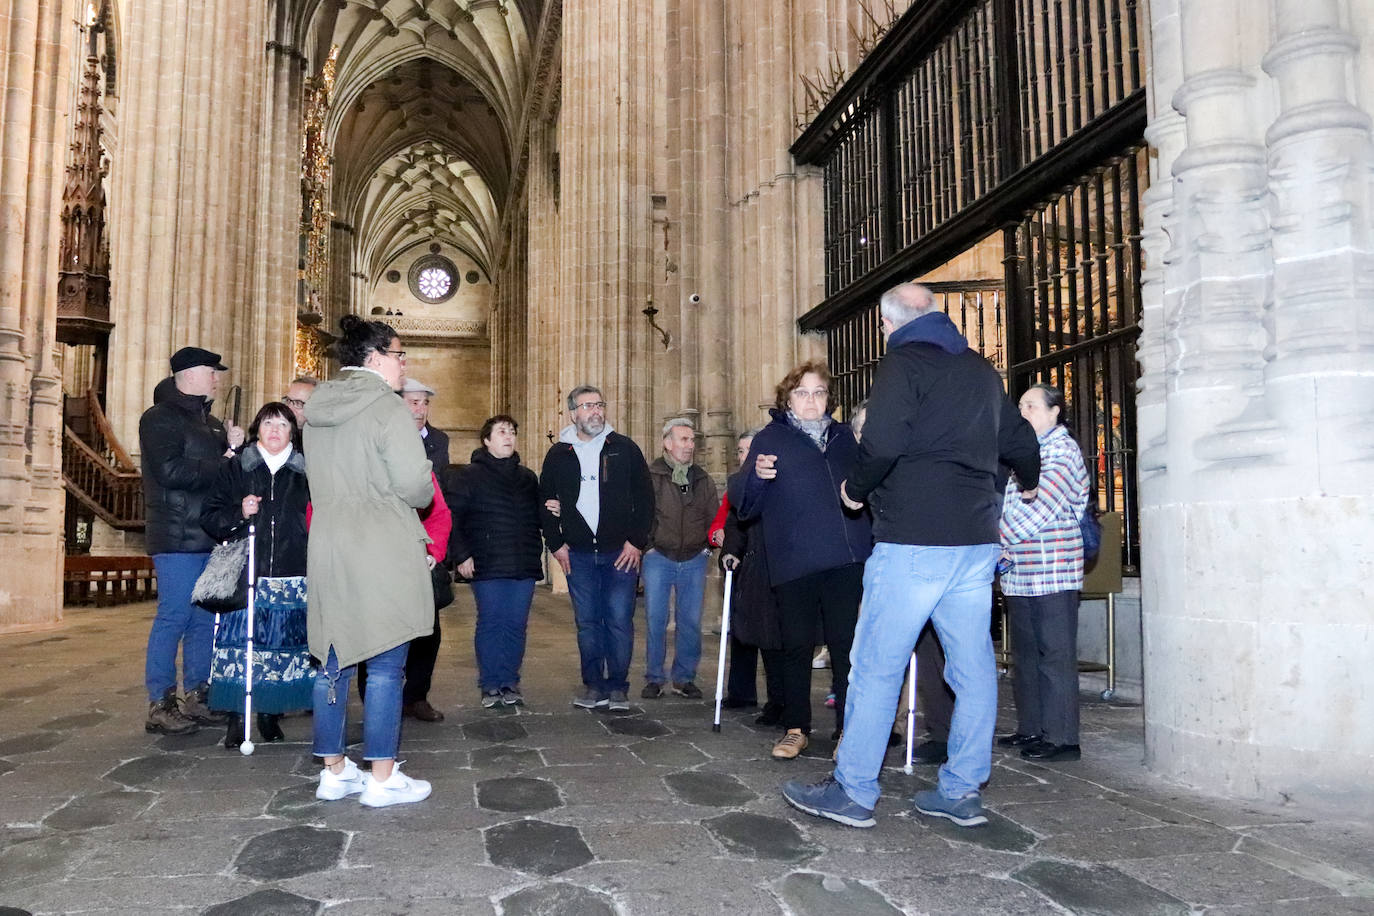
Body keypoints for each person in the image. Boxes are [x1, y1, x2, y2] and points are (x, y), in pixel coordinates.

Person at [782, 282, 1040, 829]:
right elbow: (1019, 440)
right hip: (974, 543)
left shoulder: (903, 362)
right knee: (972, 669)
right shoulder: (980, 370)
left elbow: (883, 442)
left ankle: (853, 791)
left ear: (887, 324)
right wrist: (1030, 479)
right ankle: (962, 789)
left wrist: (856, 488)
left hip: (914, 541)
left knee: (876, 666)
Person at [304, 314, 435, 808]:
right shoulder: (386, 408)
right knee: (385, 662)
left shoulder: (317, 407)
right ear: (376, 357)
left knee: (332, 659)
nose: (404, 365)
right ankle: (382, 778)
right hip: (380, 543)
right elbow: (415, 486)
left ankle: (334, 771)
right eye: (399, 355)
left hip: (330, 541)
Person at [735, 361, 872, 760]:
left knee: (847, 648)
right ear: (787, 399)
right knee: (794, 646)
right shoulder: (769, 439)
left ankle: (849, 729)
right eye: (802, 393)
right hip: (795, 560)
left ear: (829, 399)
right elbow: (745, 506)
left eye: (819, 392)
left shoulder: (847, 438)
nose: (811, 401)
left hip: (846, 559)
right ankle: (796, 728)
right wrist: (756, 475)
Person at [139, 346, 245, 734]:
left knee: (205, 618)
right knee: (175, 616)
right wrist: (224, 461)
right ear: (188, 374)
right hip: (176, 534)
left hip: (207, 534)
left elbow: (225, 476)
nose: (217, 377)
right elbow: (170, 471)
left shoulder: (212, 423)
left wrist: (232, 446)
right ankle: (160, 701)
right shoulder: (159, 418)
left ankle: (199, 693)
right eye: (211, 371)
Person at [199, 402, 313, 747]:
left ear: (293, 431)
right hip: (249, 569)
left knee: (280, 646)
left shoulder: (307, 470)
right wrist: (240, 511)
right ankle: (236, 716)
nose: (274, 431)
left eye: (282, 424)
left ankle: (269, 712)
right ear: (257, 429)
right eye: (267, 424)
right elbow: (210, 514)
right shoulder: (239, 467)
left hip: (293, 570)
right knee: (242, 646)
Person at [540, 385, 653, 712]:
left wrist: (636, 541)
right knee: (587, 622)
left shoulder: (625, 448)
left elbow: (645, 499)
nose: (595, 411)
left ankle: (617, 685)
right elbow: (545, 501)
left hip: (621, 552)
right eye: (587, 406)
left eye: (599, 404)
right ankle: (593, 685)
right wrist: (556, 544)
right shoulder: (559, 453)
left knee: (619, 619)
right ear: (573, 413)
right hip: (577, 553)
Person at [997, 383, 1091, 762]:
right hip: (1021, 571)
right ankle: (1032, 728)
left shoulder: (1061, 450)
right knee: (1027, 655)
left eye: (1032, 406)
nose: (1024, 413)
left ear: (1055, 413)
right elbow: (1009, 502)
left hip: (1053, 569)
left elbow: (1039, 508)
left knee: (1055, 654)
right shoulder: (1027, 452)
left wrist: (996, 539)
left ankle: (1062, 737)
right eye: (1020, 406)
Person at [447, 415, 544, 708]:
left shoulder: (528, 478)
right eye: (502, 432)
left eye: (512, 432)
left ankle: (509, 682)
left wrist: (553, 508)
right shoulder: (468, 475)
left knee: (516, 625)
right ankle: (490, 684)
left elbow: (536, 517)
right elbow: (453, 518)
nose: (509, 436)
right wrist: (461, 555)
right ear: (487, 440)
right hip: (487, 562)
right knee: (491, 623)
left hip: (523, 562)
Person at [641, 418, 718, 700]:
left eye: (692, 440)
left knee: (690, 621)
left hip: (694, 558)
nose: (689, 445)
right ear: (667, 443)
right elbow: (642, 513)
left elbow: (715, 519)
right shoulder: (652, 475)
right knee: (655, 618)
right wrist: (647, 546)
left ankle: (684, 678)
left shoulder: (702, 479)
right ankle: (654, 677)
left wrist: (708, 550)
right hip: (659, 557)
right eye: (683, 439)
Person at [710, 429, 784, 721]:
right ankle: (748, 694)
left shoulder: (778, 482)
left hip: (777, 570)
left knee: (775, 641)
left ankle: (781, 702)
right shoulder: (740, 485)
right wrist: (730, 552)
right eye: (740, 451)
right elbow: (735, 523)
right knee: (748, 631)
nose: (744, 456)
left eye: (749, 450)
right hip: (750, 571)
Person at [402, 377, 450, 471]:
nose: (422, 410)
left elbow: (443, 480)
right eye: (415, 403)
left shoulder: (439, 440)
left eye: (425, 403)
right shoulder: (387, 437)